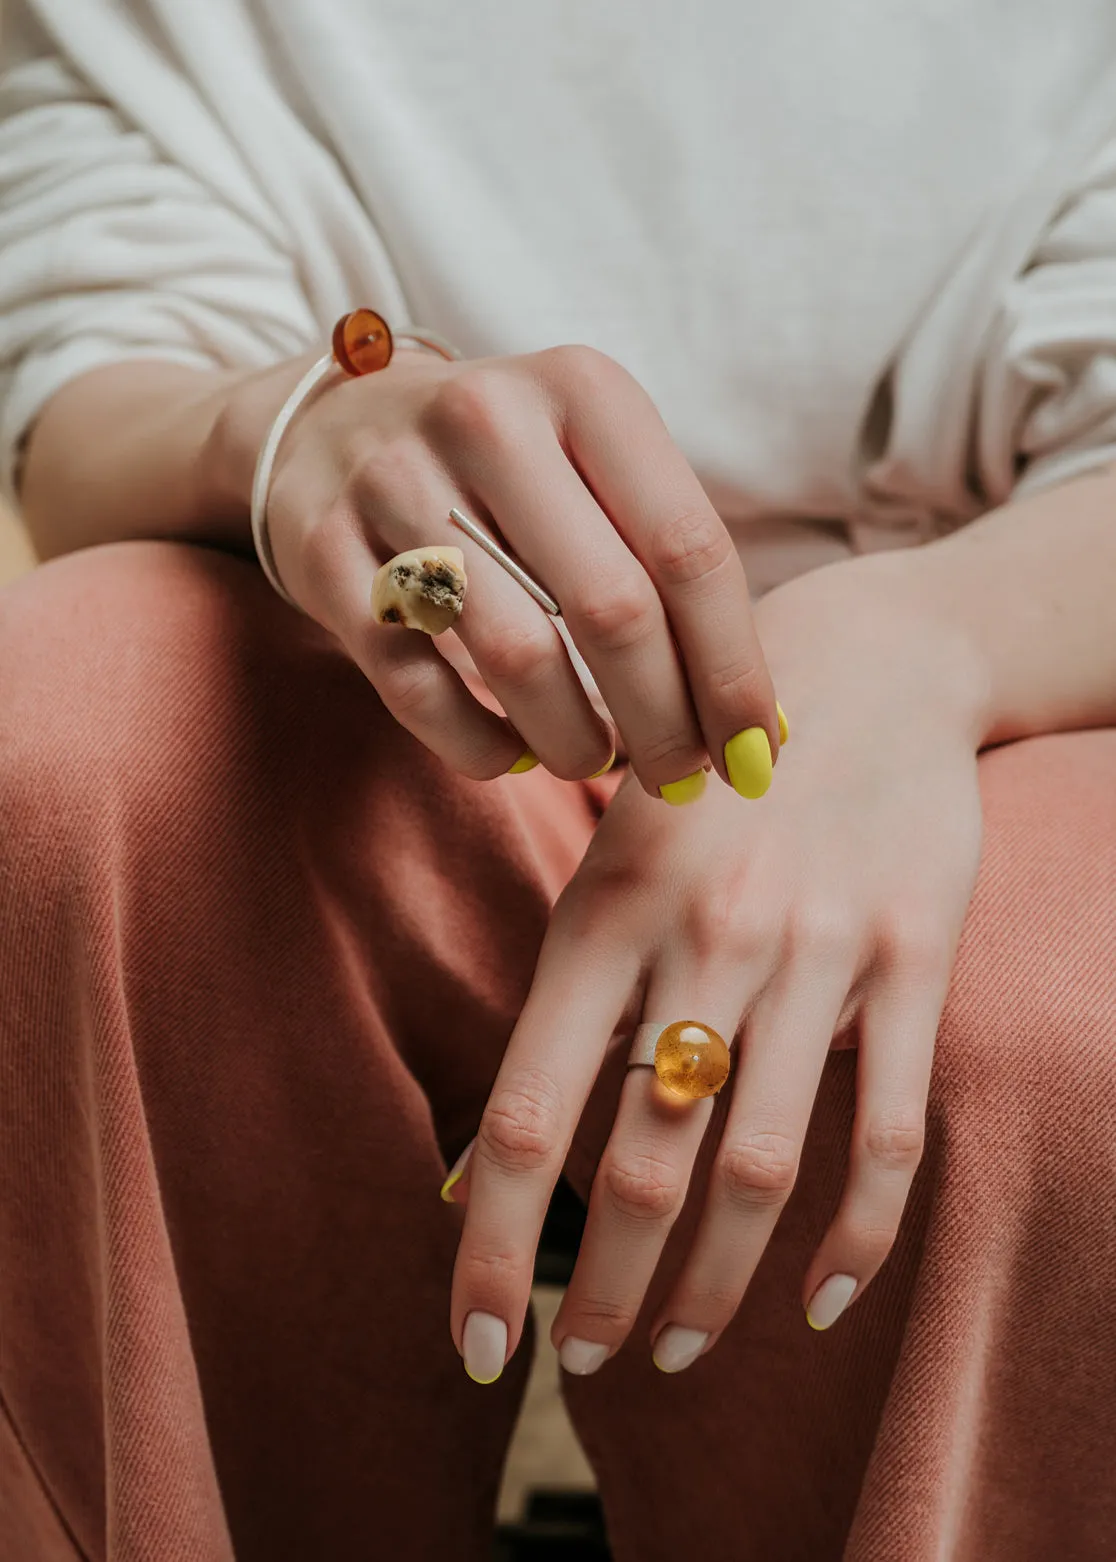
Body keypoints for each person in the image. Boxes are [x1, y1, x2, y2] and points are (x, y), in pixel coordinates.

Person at [1, 1, 1114, 1557]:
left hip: (1005, 652)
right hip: (373, 686)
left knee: (1061, 1033)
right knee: (58, 749)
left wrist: (913, 647)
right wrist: (288, 433)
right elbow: (95, 360)